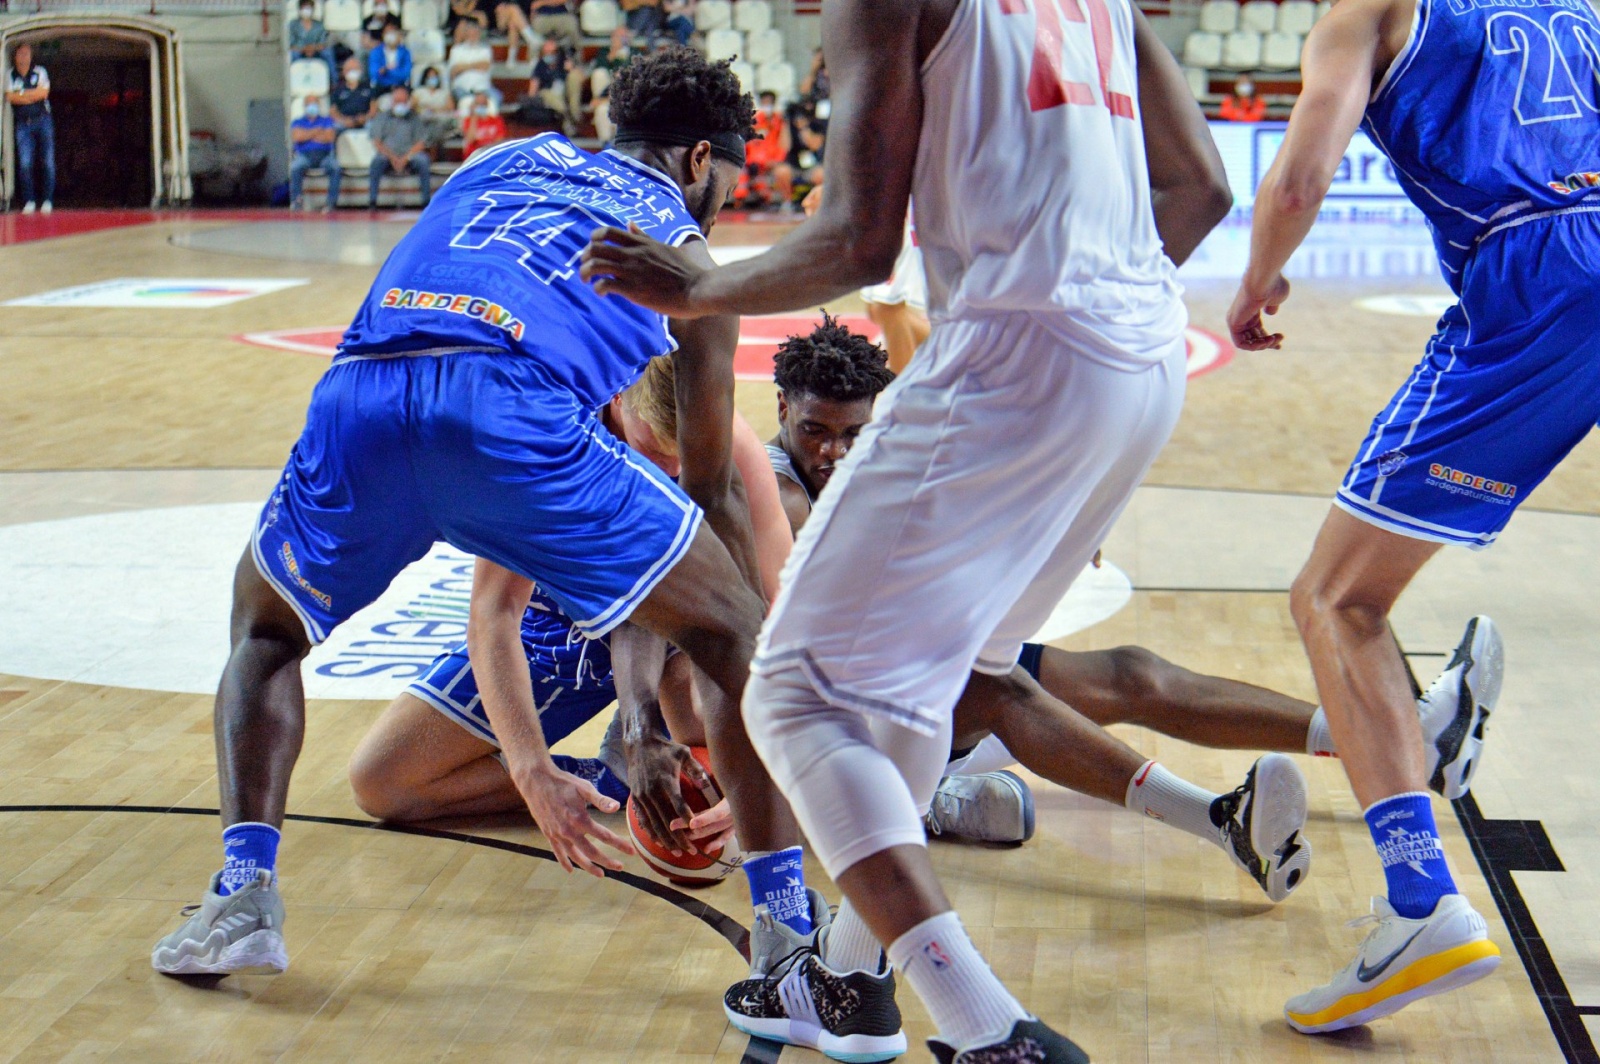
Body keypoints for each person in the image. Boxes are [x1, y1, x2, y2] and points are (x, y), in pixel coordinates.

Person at [581, 0, 1238, 1058]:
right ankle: (846, 980)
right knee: (939, 678)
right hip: (1142, 359)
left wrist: (698, 287)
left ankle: (989, 1028)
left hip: (1020, 361)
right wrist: (1082, 294)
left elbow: (856, 235)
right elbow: (1203, 189)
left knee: (789, 686)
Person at [150, 59, 826, 1040]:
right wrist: (725, 635)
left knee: (263, 627)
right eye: (723, 181)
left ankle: (241, 895)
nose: (720, 203)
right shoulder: (690, 257)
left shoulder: (506, 157)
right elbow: (714, 485)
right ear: (696, 160)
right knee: (731, 634)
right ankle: (787, 943)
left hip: (367, 391)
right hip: (506, 409)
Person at [764, 317, 1499, 866]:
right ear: (781, 419)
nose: (832, 451)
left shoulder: (886, 459)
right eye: (814, 432)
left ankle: (1405, 746)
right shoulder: (778, 492)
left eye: (852, 432)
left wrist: (1052, 530)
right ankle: (1217, 820)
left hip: (907, 688)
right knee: (995, 685)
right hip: (838, 720)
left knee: (1131, 673)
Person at [1223, 0, 1599, 1035]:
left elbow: (1302, 175)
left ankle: (1419, 900)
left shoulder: (1368, 10)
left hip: (1533, 271)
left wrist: (1253, 280)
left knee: (1335, 597)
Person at [347, 358, 795, 830]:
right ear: (617, 397)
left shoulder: (728, 436)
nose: (673, 469)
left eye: (686, 453)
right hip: (556, 624)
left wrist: (765, 773)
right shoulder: (542, 437)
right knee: (381, 781)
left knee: (756, 726)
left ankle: (672, 736)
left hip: (673, 624)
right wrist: (532, 771)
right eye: (654, 449)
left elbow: (779, 602)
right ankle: (607, 778)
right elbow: (493, 614)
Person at [6, 43, 54, 215]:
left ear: (31, 56)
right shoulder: (9, 74)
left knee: (47, 162)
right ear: (15, 56)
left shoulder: (40, 71)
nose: (24, 57)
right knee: (25, 164)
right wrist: (30, 96)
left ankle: (47, 200)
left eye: (27, 53)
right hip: (23, 124)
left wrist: (22, 96)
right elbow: (10, 97)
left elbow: (43, 94)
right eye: (21, 53)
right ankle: (29, 201)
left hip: (43, 121)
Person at [365, 85, 431, 207]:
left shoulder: (414, 118)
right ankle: (372, 201)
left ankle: (426, 202)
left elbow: (421, 142)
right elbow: (377, 142)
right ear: (392, 102)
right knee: (376, 161)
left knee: (423, 161)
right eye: (397, 101)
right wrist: (393, 158)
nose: (400, 104)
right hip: (388, 155)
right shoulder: (382, 117)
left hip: (410, 155)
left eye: (403, 102)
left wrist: (405, 158)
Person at [288, 94, 342, 212]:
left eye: (315, 104)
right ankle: (296, 202)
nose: (312, 106)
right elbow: (297, 137)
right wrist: (317, 131)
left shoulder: (326, 120)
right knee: (295, 168)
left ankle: (330, 204)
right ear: (305, 106)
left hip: (324, 155)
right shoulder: (298, 121)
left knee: (335, 168)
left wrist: (307, 134)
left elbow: (329, 137)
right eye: (309, 104)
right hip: (304, 156)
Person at [738, 90, 790, 210]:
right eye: (764, 103)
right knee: (746, 172)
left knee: (783, 171)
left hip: (774, 160)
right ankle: (742, 201)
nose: (767, 106)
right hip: (754, 161)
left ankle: (785, 203)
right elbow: (751, 144)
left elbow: (785, 145)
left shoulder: (780, 121)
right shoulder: (755, 121)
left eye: (769, 103)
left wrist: (776, 161)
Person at [529, 39, 584, 134]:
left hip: (565, 93)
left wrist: (572, 69)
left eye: (552, 52)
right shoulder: (540, 65)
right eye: (547, 53)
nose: (550, 55)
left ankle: (575, 114)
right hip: (549, 94)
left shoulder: (564, 62)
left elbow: (581, 79)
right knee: (547, 94)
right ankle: (567, 117)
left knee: (574, 76)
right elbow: (533, 88)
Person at [448, 20, 498, 107]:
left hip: (483, 89)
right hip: (462, 89)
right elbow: (453, 71)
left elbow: (485, 66)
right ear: (466, 34)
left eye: (475, 33)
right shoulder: (456, 50)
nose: (473, 36)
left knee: (496, 98)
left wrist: (463, 66)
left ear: (479, 34)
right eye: (471, 33)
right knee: (465, 101)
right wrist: (476, 65)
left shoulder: (486, 50)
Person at [288, 2, 337, 79]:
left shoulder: (319, 25)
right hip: (299, 51)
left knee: (328, 53)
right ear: (299, 9)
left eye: (308, 8)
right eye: (304, 8)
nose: (306, 11)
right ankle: (291, 80)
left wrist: (312, 48)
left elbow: (322, 44)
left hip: (316, 50)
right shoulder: (293, 24)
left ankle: (334, 81)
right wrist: (304, 48)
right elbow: (291, 44)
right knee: (293, 54)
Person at [413, 65, 457, 147]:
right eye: (430, 77)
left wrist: (435, 109)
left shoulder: (444, 92)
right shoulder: (418, 92)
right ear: (425, 78)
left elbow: (451, 108)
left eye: (434, 77)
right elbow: (413, 106)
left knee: (438, 127)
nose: (432, 79)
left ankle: (433, 146)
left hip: (440, 119)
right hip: (423, 119)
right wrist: (424, 108)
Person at [330, 57, 374, 131]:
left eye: (355, 69)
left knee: (372, 126)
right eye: (350, 70)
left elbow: (374, 107)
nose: (353, 72)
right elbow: (333, 111)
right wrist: (343, 120)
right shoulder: (338, 90)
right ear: (344, 72)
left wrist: (366, 117)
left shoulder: (368, 87)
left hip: (365, 120)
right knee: (334, 127)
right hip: (344, 121)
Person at [368, 26, 413, 93]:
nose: (390, 35)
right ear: (383, 35)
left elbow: (405, 74)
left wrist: (387, 70)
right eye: (388, 33)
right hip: (381, 88)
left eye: (393, 32)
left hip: (400, 87)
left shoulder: (405, 52)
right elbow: (374, 74)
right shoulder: (376, 52)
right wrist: (394, 70)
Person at [460, 92, 506, 157]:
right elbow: (470, 139)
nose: (480, 107)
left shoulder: (496, 120)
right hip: (475, 154)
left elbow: (499, 140)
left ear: (487, 105)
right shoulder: (468, 121)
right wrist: (474, 118)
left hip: (491, 153)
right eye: (478, 104)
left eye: (483, 104)